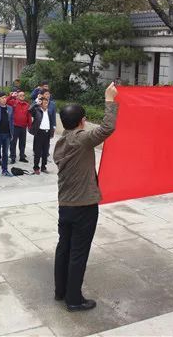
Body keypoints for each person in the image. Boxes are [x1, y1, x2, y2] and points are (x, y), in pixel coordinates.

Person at [53, 82, 118, 312]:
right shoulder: (81, 139)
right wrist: (110, 100)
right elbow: (107, 129)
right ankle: (74, 299)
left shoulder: (62, 141)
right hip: (84, 207)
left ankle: (60, 291)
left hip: (66, 206)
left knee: (64, 248)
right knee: (78, 253)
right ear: (82, 121)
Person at [29, 96, 53, 174]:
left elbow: (51, 122)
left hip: (47, 133)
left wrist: (51, 132)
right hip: (39, 133)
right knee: (38, 151)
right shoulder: (37, 111)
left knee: (45, 152)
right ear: (41, 103)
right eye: (45, 103)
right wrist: (36, 104)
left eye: (47, 103)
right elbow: (29, 110)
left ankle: (43, 167)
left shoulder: (49, 112)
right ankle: (36, 167)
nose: (46, 104)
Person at [7, 91, 31, 164]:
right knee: (13, 143)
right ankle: (13, 157)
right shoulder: (14, 102)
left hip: (23, 127)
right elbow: (6, 102)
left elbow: (29, 116)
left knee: (22, 143)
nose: (22, 96)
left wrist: (29, 126)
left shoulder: (27, 105)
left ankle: (22, 157)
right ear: (17, 96)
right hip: (15, 126)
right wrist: (11, 95)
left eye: (23, 95)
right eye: (20, 95)